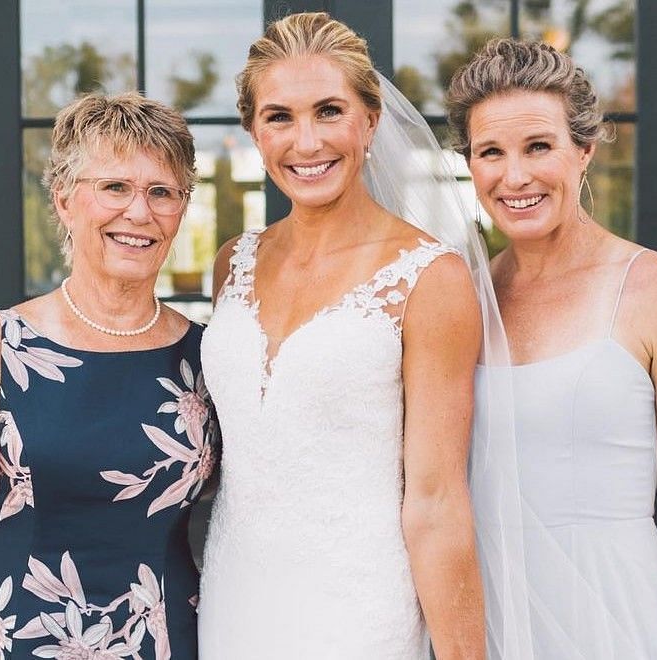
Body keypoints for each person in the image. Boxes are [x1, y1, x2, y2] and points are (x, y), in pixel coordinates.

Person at [197, 12, 486, 660]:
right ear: (253, 131)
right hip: (235, 602)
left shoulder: (429, 278)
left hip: (362, 611)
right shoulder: (232, 263)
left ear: (370, 121)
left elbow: (437, 500)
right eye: (280, 117)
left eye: (329, 111)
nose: (306, 142)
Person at [0, 92, 215, 659]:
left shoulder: (206, 359)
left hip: (164, 645)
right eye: (114, 187)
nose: (139, 213)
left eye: (162, 192)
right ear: (65, 200)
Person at [447, 38, 657, 659]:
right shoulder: (461, 300)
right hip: (488, 616)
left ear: (583, 150)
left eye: (538, 147)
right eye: (490, 152)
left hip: (612, 614)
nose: (514, 176)